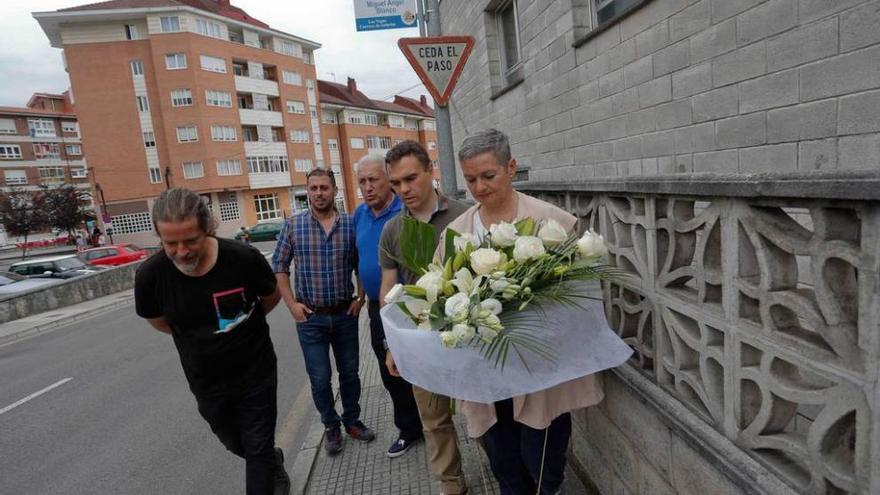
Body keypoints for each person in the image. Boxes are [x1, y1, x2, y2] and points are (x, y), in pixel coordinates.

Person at [444, 129, 604, 495]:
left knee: (544, 464)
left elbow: (581, 297)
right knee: (505, 467)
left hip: (541, 373)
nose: (479, 188)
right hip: (488, 373)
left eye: (488, 176)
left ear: (511, 167)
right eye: (470, 179)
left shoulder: (552, 223)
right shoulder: (456, 234)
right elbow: (447, 297)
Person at [134, 188, 290, 495]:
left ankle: (266, 463)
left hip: (254, 372)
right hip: (206, 382)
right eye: (171, 243)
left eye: (190, 240)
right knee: (236, 442)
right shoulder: (150, 276)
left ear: (208, 229)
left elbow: (270, 297)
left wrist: (241, 328)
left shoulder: (242, 258)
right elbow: (160, 322)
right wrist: (201, 340)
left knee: (257, 446)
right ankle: (272, 460)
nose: (182, 251)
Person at [378, 141, 469, 495]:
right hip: (421, 340)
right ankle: (451, 484)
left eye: (410, 179)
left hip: (466, 333)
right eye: (396, 184)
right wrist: (392, 346)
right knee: (434, 421)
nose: (403, 190)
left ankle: (502, 470)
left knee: (482, 413)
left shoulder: (464, 215)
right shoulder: (392, 231)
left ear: (430, 170)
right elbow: (388, 293)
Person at [271, 167, 375, 455]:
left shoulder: (351, 224)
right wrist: (292, 305)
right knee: (319, 378)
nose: (318, 193)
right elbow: (279, 266)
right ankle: (331, 427)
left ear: (334, 191)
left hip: (345, 314)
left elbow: (362, 263)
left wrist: (361, 298)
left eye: (324, 188)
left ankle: (352, 421)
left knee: (350, 373)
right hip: (310, 319)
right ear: (308, 191)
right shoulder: (293, 225)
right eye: (313, 188)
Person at [352, 154, 424, 458]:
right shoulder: (358, 215)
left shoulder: (404, 212)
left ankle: (434, 423)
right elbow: (357, 258)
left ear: (388, 179)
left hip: (408, 306)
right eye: (362, 182)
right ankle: (409, 430)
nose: (368, 188)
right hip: (375, 308)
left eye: (373, 180)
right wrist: (359, 294)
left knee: (417, 368)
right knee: (389, 372)